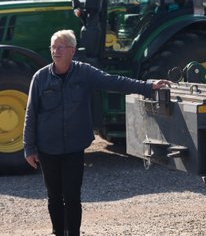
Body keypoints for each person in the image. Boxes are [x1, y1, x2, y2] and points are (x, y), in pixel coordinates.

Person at [23, 29, 169, 236]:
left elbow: (115, 82)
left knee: (72, 196)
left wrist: (147, 86)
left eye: (60, 47)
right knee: (54, 196)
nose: (55, 51)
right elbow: (31, 113)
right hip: (48, 148)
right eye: (53, 47)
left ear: (72, 51)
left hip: (74, 147)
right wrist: (29, 147)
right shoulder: (40, 78)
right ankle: (57, 232)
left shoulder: (85, 73)